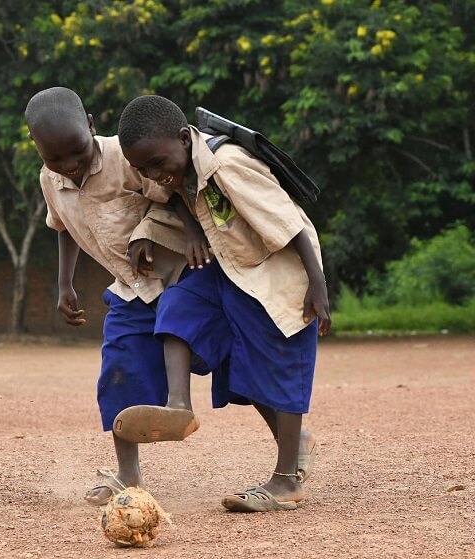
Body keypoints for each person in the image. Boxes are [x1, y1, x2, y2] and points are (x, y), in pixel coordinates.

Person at [116, 94, 329, 512]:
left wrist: (318, 283)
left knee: (277, 363)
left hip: (275, 270)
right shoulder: (172, 168)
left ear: (184, 138)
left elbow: (289, 221)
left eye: (156, 164)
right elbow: (171, 195)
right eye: (143, 170)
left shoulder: (226, 164)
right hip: (229, 269)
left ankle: (286, 481)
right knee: (179, 305)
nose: (154, 175)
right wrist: (179, 229)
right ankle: (178, 405)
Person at [24, 87, 210, 505]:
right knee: (118, 369)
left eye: (77, 151)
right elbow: (62, 227)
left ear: (90, 124)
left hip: (180, 275)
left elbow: (171, 192)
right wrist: (65, 283)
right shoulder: (49, 180)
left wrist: (186, 232)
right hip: (130, 289)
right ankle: (128, 474)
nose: (69, 165)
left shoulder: (124, 157)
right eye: (55, 158)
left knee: (235, 364)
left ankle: (291, 445)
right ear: (36, 146)